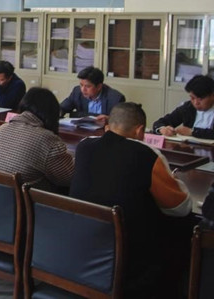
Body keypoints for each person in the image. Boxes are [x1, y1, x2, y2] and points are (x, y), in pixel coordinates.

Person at [70, 102, 191, 297]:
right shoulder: (147, 154)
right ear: (140, 130)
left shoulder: (84, 146)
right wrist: (173, 181)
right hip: (128, 257)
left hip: (81, 244)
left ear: (108, 125)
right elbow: (181, 207)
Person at [0, 87, 73, 192]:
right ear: (52, 113)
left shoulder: (2, 128)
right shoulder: (47, 139)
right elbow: (69, 178)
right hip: (27, 200)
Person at [153, 74, 214, 141]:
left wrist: (193, 132)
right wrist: (162, 129)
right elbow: (160, 122)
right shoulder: (188, 107)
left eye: (200, 99)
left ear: (213, 95)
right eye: (192, 98)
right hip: (189, 150)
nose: (196, 103)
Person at [59, 66, 125, 120]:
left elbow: (120, 121)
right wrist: (59, 113)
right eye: (81, 85)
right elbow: (62, 108)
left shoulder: (115, 99)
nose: (83, 89)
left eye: (87, 86)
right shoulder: (77, 91)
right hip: (82, 130)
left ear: (99, 86)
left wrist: (109, 119)